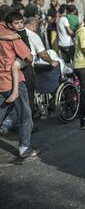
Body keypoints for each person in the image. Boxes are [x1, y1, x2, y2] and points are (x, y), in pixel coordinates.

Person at [0, 8, 38, 158]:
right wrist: (21, 63)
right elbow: (29, 57)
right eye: (17, 22)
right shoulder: (13, 37)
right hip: (13, 80)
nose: (20, 25)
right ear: (9, 22)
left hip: (1, 81)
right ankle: (24, 147)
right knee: (25, 114)